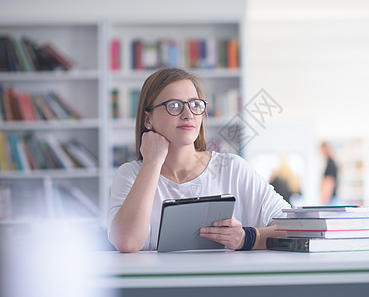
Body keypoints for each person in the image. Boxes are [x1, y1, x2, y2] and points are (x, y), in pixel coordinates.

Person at [107, 67, 291, 252]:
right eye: (174, 105)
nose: (188, 114)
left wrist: (247, 237)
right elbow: (127, 242)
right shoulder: (130, 175)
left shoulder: (232, 169)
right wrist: (152, 163)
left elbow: (296, 228)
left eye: (195, 104)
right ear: (148, 120)